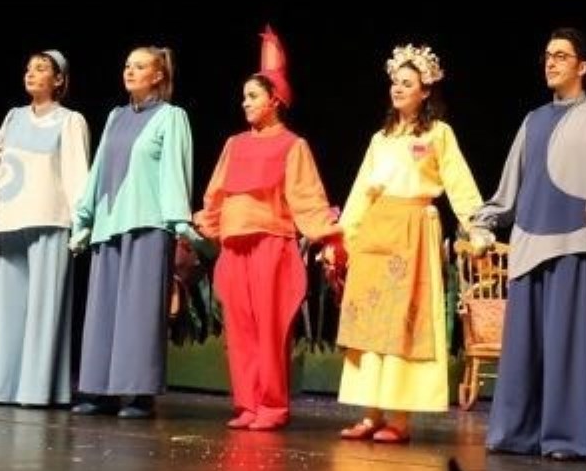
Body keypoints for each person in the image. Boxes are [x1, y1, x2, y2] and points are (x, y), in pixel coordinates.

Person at [470, 28, 586, 461]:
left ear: (583, 66)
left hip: (575, 243)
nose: (551, 62)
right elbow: (508, 188)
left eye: (562, 56)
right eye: (548, 55)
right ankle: (515, 433)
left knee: (567, 348)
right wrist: (485, 222)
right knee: (522, 350)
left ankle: (564, 439)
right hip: (529, 243)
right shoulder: (532, 120)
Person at [329, 43, 484, 444]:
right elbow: (361, 192)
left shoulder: (438, 134)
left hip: (413, 231)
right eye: (395, 82)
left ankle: (399, 418)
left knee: (402, 324)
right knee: (370, 324)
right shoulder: (380, 139)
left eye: (407, 83)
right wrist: (342, 238)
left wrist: (477, 227)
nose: (398, 88)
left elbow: (459, 183)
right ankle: (370, 413)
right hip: (376, 233)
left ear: (425, 90)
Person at [194, 26, 342, 431]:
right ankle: (247, 403)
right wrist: (208, 225)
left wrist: (328, 233)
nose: (245, 103)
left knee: (271, 329)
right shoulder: (234, 144)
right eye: (244, 97)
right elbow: (216, 193)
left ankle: (272, 405)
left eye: (253, 96)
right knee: (240, 329)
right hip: (235, 248)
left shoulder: (293, 145)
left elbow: (307, 198)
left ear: (274, 99)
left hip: (271, 247)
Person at [70, 45, 194, 419]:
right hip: (110, 222)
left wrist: (178, 220)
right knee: (104, 310)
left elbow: (175, 170)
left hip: (147, 223)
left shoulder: (171, 117)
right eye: (127, 65)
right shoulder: (115, 116)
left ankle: (140, 393)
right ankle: (101, 391)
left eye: (139, 66)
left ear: (158, 75)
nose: (129, 71)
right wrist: (84, 218)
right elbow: (98, 169)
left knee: (139, 312)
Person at [0, 50, 91, 407]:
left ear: (59, 79)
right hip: (10, 218)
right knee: (4, 309)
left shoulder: (70, 121)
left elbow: (77, 172)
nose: (31, 74)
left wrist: (81, 222)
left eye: (40, 69)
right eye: (28, 69)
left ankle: (37, 390)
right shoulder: (14, 117)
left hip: (50, 218)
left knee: (43, 309)